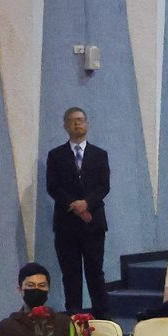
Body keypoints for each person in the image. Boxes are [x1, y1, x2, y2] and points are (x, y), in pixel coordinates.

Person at [45, 106, 111, 315]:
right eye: (73, 120)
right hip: (66, 224)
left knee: (95, 272)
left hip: (93, 223)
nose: (77, 123)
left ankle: (102, 317)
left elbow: (104, 186)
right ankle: (74, 318)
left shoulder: (100, 154)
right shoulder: (55, 155)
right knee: (70, 274)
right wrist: (73, 203)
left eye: (81, 119)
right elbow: (52, 186)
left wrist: (86, 203)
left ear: (87, 123)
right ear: (65, 125)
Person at [0, 263, 67, 336]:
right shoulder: (7, 328)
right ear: (20, 289)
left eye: (42, 285)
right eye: (30, 285)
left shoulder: (63, 324)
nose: (36, 289)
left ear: (48, 289)